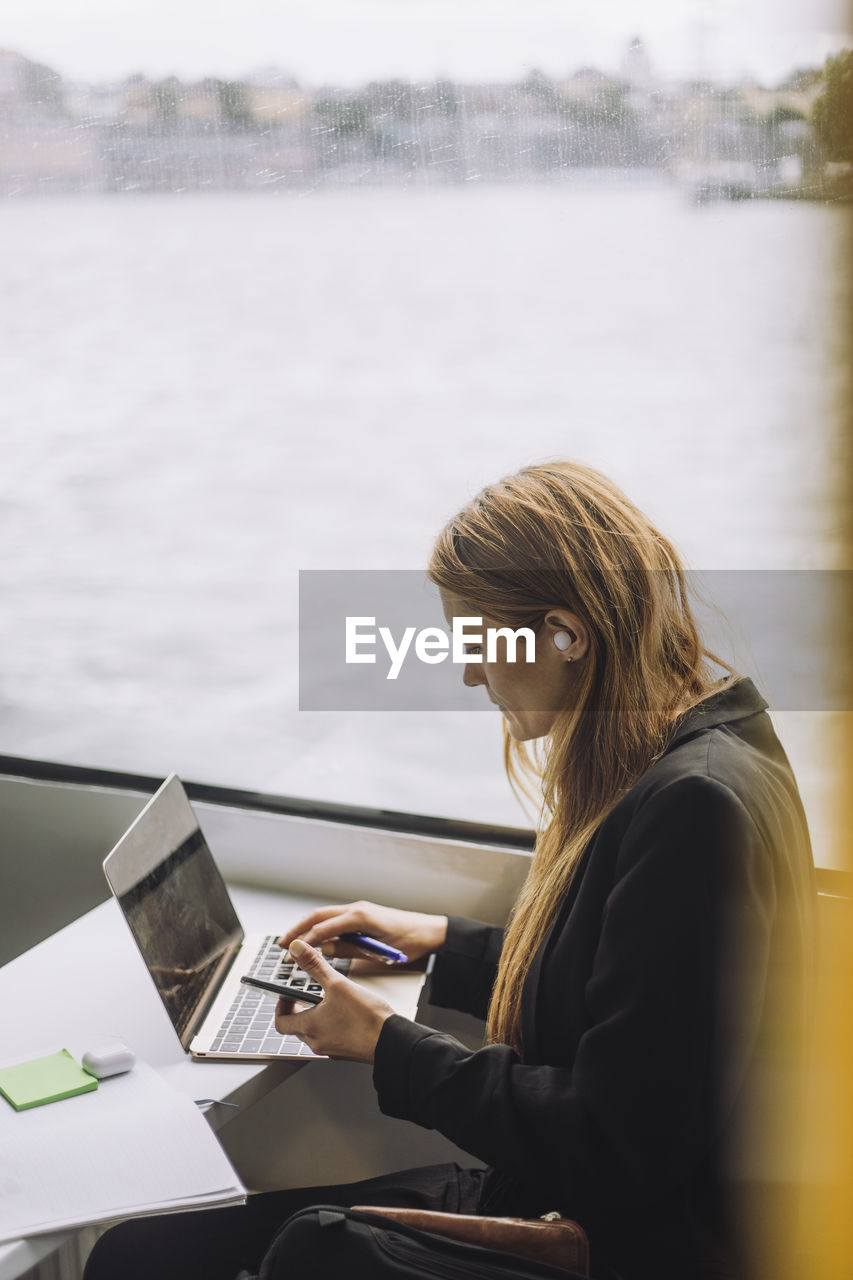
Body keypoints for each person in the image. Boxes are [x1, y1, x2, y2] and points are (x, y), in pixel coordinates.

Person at [84, 461, 816, 1280]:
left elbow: (617, 1143)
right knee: (139, 1251)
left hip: (602, 1238)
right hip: (568, 1199)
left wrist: (387, 1044)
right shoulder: (711, 741)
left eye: (481, 642)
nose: (472, 673)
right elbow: (632, 994)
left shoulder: (691, 808)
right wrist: (440, 942)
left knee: (181, 1260)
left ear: (567, 634)